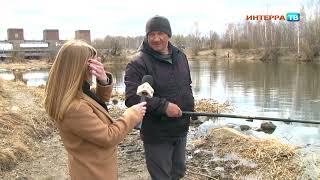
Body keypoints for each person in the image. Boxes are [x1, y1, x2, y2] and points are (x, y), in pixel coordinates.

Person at [44, 40, 146, 180]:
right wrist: (132, 114)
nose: (96, 64)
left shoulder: (76, 92)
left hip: (91, 166)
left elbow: (97, 105)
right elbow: (108, 137)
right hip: (93, 172)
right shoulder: (74, 107)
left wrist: (103, 81)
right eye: (91, 62)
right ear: (79, 66)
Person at [124, 15, 195, 180]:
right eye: (151, 34)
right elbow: (133, 98)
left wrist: (191, 108)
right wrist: (164, 107)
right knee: (161, 176)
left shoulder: (180, 56)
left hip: (181, 127)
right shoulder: (138, 63)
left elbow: (187, 86)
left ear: (168, 34)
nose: (156, 39)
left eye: (160, 33)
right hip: (156, 133)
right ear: (147, 36)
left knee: (177, 172)